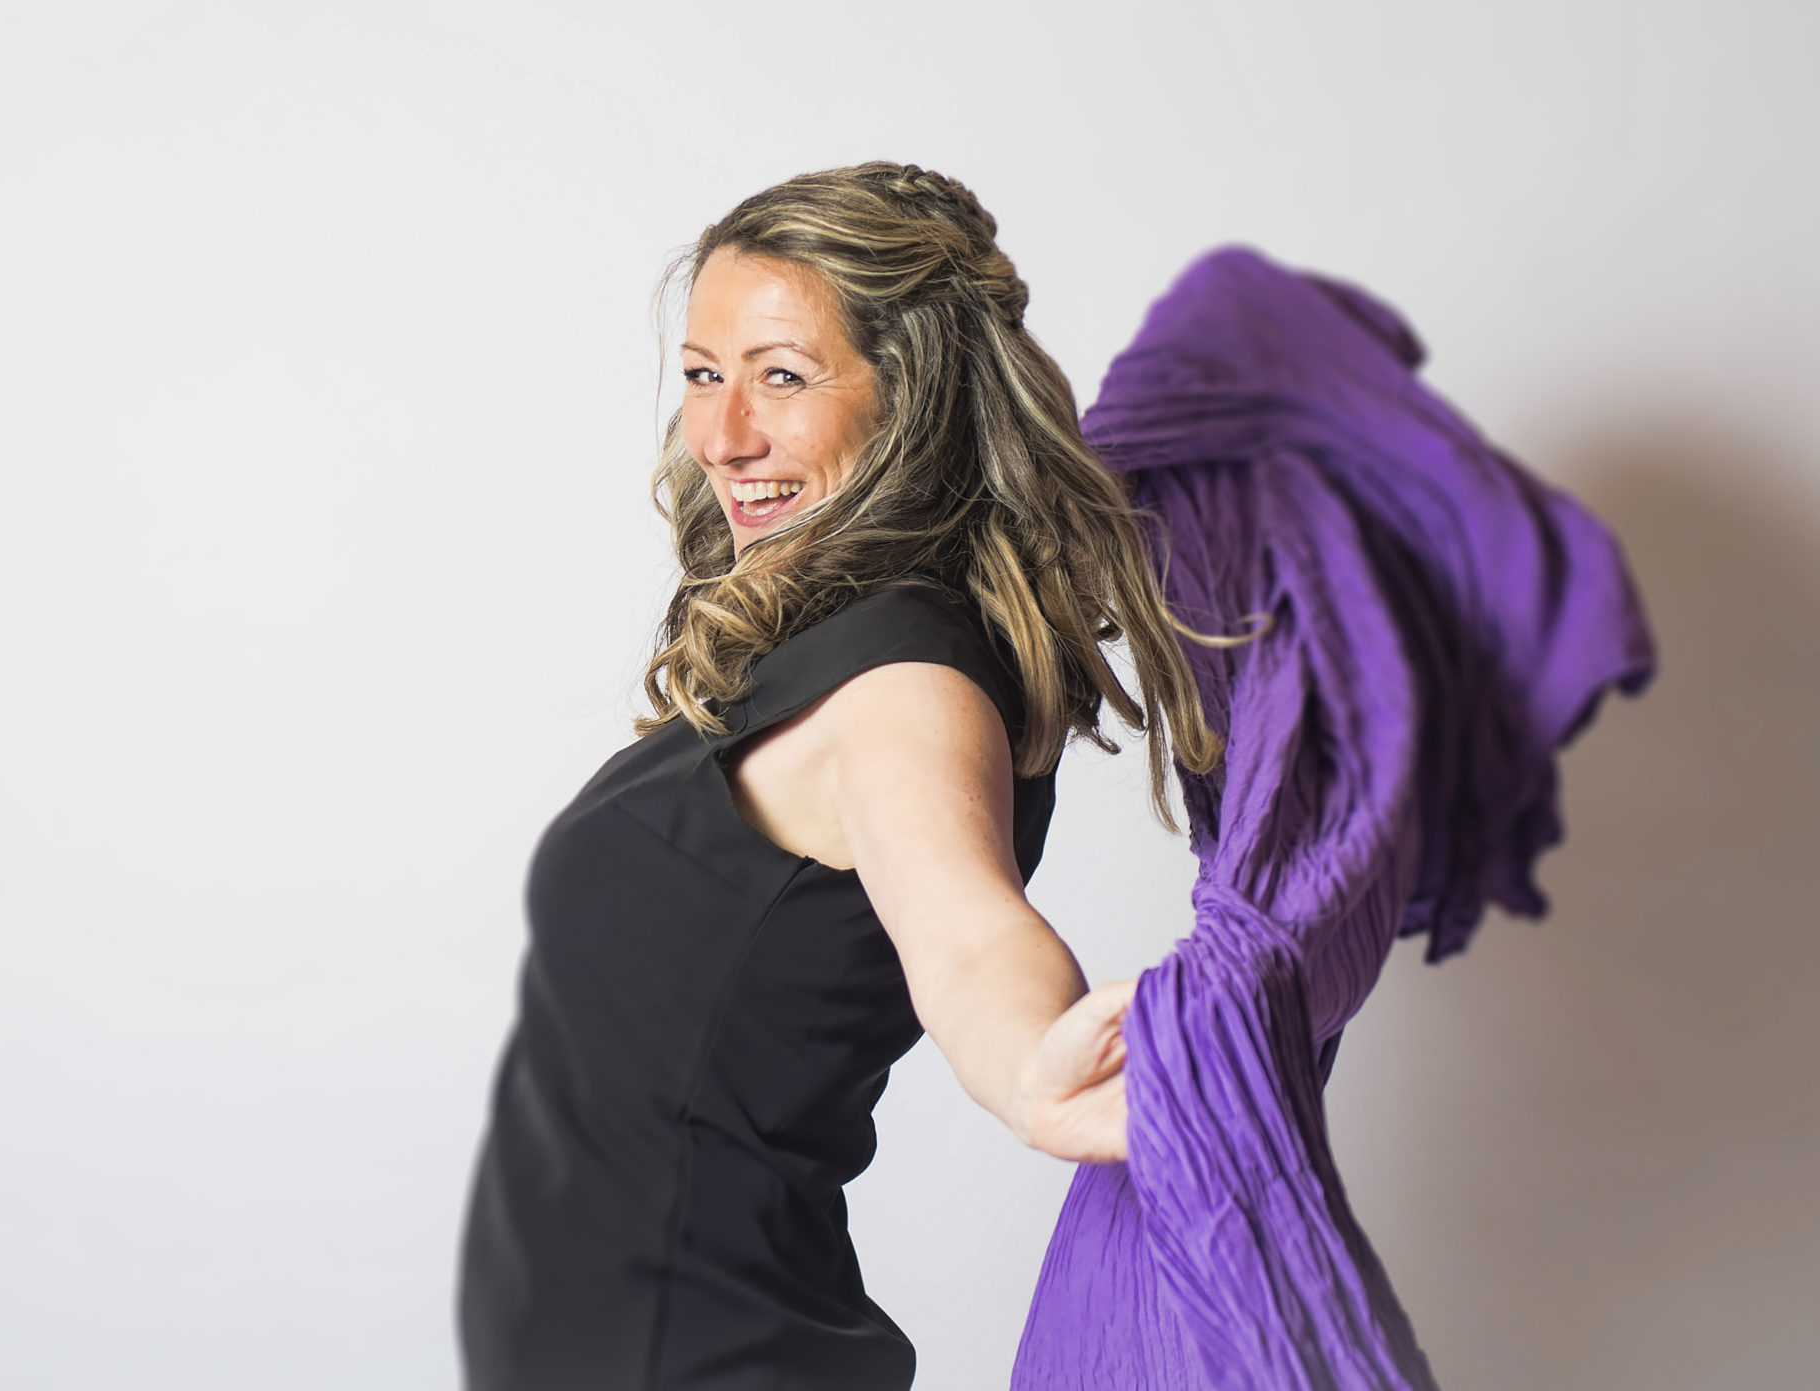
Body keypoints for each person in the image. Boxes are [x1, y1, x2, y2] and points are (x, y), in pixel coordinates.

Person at [455, 161, 1249, 1390]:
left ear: (912, 397)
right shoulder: (825, 644)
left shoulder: (902, 684)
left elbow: (968, 931)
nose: (723, 435)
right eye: (703, 374)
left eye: (781, 375)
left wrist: (1035, 1064)